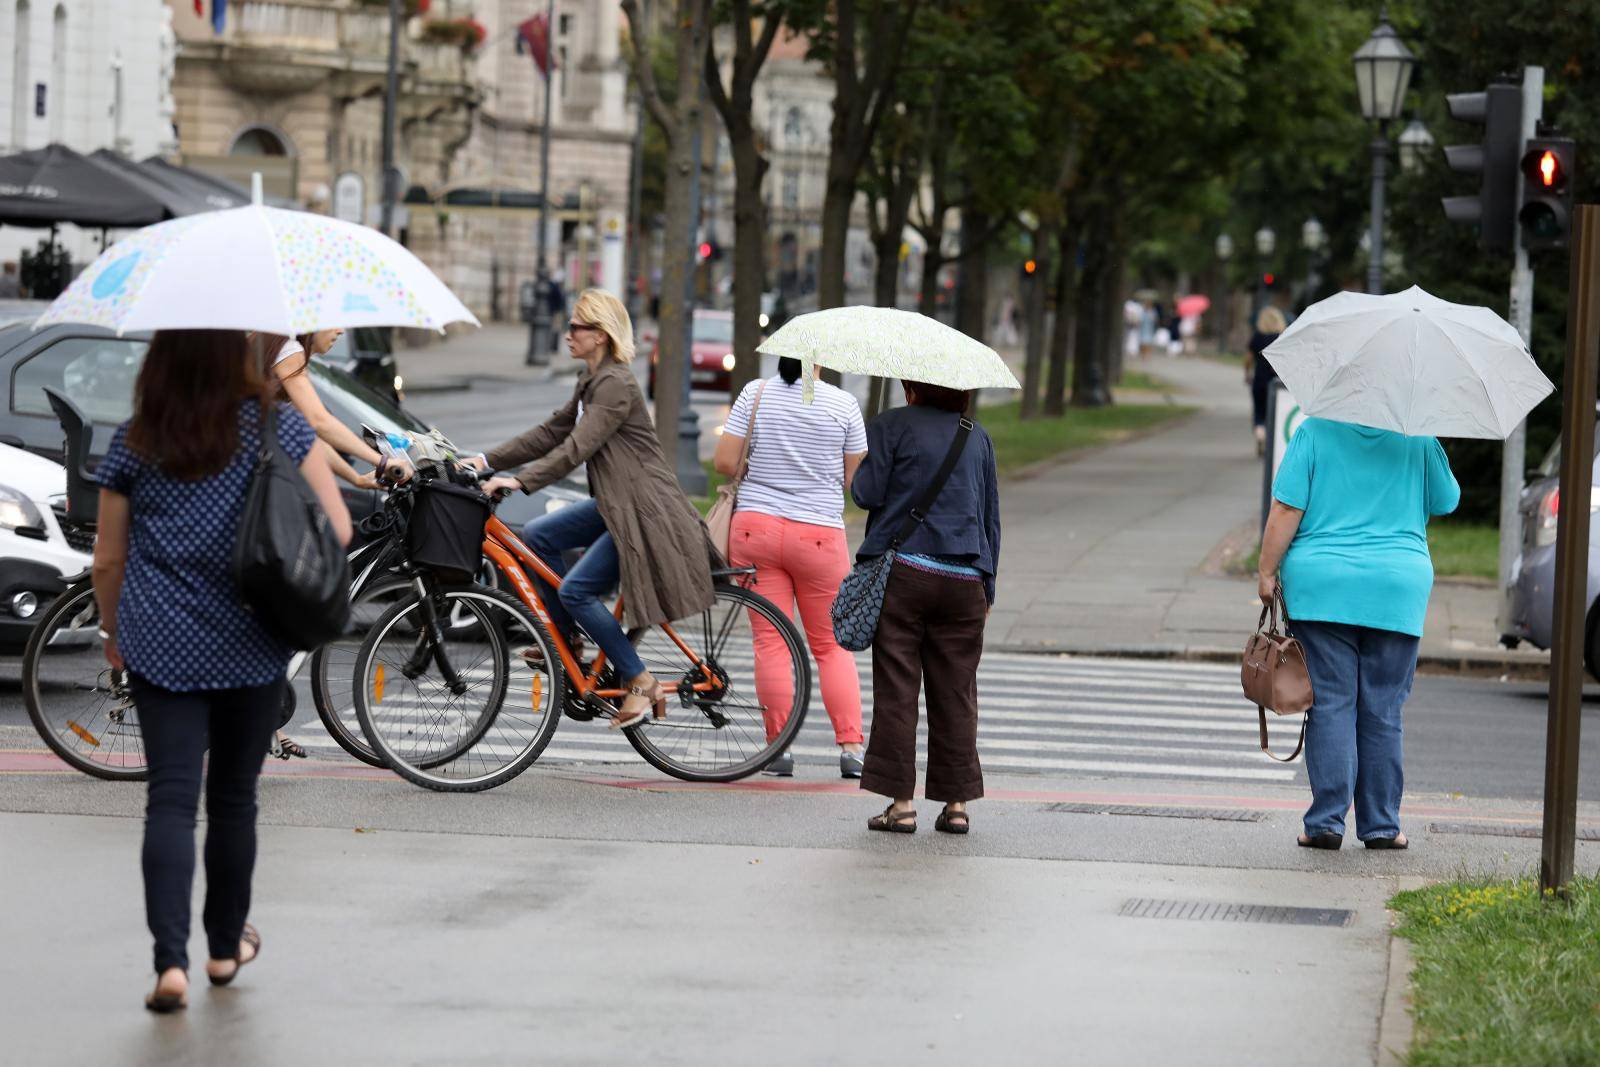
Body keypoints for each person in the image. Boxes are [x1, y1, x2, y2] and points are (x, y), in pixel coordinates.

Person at [91, 329, 352, 1012]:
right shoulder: (276, 425)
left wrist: (116, 632)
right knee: (235, 800)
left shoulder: (137, 437)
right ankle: (223, 946)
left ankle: (169, 964)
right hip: (252, 638)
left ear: (162, 359)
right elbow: (338, 526)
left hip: (160, 642)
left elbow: (108, 558)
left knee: (171, 801)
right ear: (240, 358)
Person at [474, 288, 715, 730]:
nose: (567, 334)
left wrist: (521, 480)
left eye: (576, 327)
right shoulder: (591, 381)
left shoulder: (617, 385)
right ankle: (566, 639)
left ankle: (639, 678)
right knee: (539, 535)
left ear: (600, 335)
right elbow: (552, 432)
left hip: (644, 510)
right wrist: (488, 461)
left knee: (576, 590)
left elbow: (576, 447)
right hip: (614, 504)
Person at [1257, 417, 1460, 852]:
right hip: (1396, 589)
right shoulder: (1418, 434)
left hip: (1322, 588)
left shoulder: (1314, 432)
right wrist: (1429, 438)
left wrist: (1266, 570)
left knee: (1330, 703)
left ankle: (1326, 824)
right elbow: (1447, 500)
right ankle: (1383, 826)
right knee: (1383, 710)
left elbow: (1287, 509)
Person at [851, 381, 1001, 835]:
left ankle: (901, 806)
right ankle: (956, 805)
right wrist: (987, 584)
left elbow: (865, 494)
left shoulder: (890, 425)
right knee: (956, 692)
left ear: (912, 387)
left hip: (906, 573)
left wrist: (867, 453)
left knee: (898, 688)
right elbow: (990, 516)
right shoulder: (976, 435)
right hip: (965, 578)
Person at [713, 356, 868, 778]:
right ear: (820, 360)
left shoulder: (755, 394)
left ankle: (777, 750)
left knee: (771, 642)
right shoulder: (843, 405)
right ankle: (852, 749)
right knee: (830, 645)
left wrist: (759, 467)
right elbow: (859, 486)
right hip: (818, 536)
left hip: (755, 531)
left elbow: (724, 462)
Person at [260, 329, 410, 759]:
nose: (341, 330)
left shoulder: (284, 352)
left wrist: (356, 476)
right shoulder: (286, 349)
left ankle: (256, 713)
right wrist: (381, 460)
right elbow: (319, 421)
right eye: (334, 320)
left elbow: (303, 433)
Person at [1244, 306, 1287, 455]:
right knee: (1274, 413)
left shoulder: (1257, 336)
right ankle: (1270, 440)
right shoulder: (1282, 337)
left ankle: (1260, 435)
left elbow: (1248, 358)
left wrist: (1247, 373)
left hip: (1259, 379)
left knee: (1259, 411)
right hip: (1277, 383)